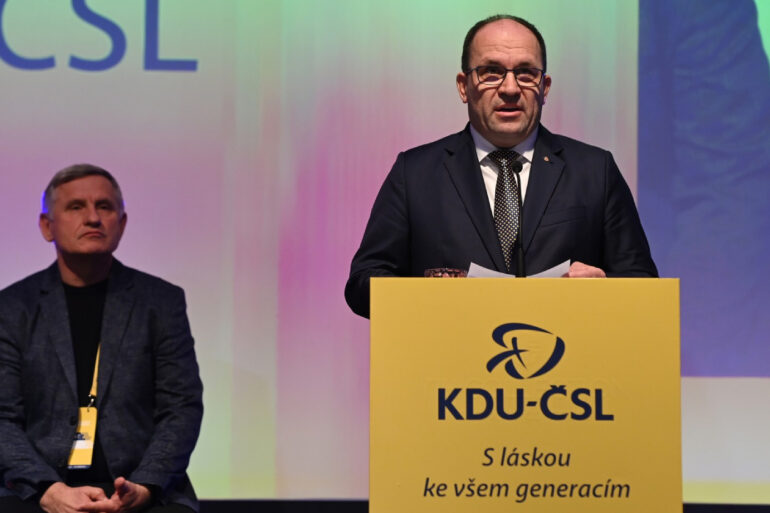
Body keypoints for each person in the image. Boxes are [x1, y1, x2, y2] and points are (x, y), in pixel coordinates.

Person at [345, 14, 657, 318]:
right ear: (464, 86)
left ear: (545, 88)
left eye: (526, 73)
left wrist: (606, 288)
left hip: (562, 349)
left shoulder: (595, 171)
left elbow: (644, 286)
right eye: (491, 72)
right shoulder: (415, 173)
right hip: (451, 349)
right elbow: (363, 283)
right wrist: (430, 297)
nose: (510, 88)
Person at [0, 164, 203, 512]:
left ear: (121, 224)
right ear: (47, 226)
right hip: (38, 485)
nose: (93, 218)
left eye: (104, 207)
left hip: (137, 483)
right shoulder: (12, 308)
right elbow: (2, 417)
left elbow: (181, 408)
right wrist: (47, 489)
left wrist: (146, 486)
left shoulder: (160, 302)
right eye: (76, 206)